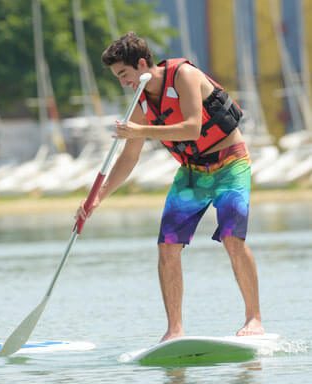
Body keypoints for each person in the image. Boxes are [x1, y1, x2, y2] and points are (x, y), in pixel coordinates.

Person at [77, 32, 264, 342]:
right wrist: (96, 198)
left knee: (233, 239)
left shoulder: (184, 75)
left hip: (230, 163)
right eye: (117, 77)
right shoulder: (140, 101)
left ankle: (254, 318)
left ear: (141, 64)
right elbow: (129, 156)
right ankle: (174, 330)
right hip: (191, 172)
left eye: (124, 74)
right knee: (167, 247)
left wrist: (140, 130)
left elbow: (192, 127)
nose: (123, 82)